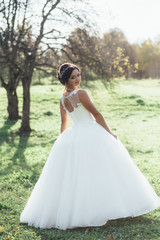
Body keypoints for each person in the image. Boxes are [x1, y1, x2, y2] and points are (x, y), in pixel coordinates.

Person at [20, 63, 160, 230]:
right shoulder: (81, 93)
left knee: (82, 174)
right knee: (101, 170)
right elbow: (96, 114)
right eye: (73, 77)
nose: (77, 79)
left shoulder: (62, 98)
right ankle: (100, 208)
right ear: (66, 79)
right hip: (90, 132)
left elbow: (64, 123)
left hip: (73, 134)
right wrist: (109, 133)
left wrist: (63, 140)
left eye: (78, 75)